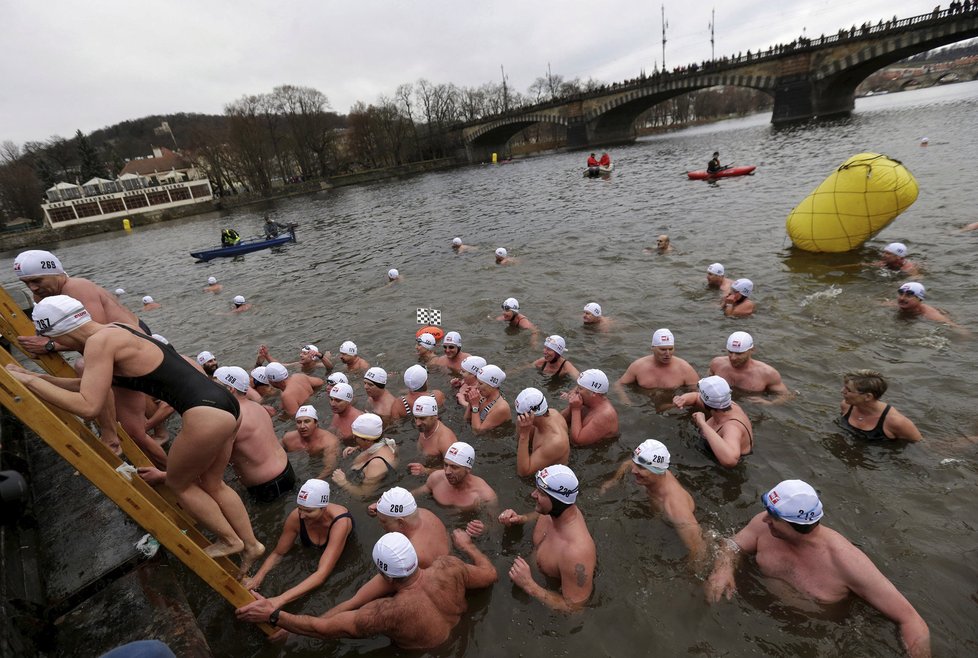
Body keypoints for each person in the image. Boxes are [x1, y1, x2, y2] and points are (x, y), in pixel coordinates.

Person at [9, 296, 263, 567]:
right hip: (226, 405)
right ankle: (251, 545)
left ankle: (229, 540)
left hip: (204, 414)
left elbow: (88, 405)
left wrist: (26, 381)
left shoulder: (97, 344)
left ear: (58, 332)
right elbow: (89, 385)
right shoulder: (116, 328)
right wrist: (41, 378)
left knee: (179, 484)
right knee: (213, 483)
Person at [705, 480, 930, 657]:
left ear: (797, 524)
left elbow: (911, 620)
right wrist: (722, 569)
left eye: (773, 516)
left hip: (814, 636)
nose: (765, 519)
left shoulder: (847, 562)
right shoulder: (764, 527)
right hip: (755, 620)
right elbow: (731, 544)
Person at [13, 250, 162, 461]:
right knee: (123, 388)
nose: (32, 288)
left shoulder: (77, 287)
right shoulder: (42, 294)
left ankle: (114, 435)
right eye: (26, 283)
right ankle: (154, 431)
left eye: (36, 280)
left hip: (132, 336)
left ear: (55, 272)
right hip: (105, 342)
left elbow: (99, 332)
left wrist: (50, 346)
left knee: (91, 371)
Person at [236, 531, 497, 651]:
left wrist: (273, 615)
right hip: (464, 634)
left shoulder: (385, 612)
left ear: (383, 574)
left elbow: (321, 629)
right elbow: (489, 575)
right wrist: (468, 545)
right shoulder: (450, 566)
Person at [242, 479, 353, 609]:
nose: (302, 515)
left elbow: (322, 573)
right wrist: (258, 577)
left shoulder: (340, 522)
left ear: (324, 508)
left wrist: (279, 600)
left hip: (338, 544)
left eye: (308, 511)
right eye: (300, 508)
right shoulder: (296, 516)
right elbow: (279, 552)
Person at [499, 465, 596, 612]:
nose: (533, 494)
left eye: (541, 493)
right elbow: (541, 512)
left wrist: (530, 586)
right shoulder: (553, 512)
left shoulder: (576, 553)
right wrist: (521, 519)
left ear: (558, 500)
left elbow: (575, 608)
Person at [601, 440, 706, 563]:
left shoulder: (674, 506)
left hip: (672, 538)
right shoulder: (654, 472)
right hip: (657, 515)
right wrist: (614, 480)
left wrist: (691, 575)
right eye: (636, 463)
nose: (633, 470)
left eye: (640, 467)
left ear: (657, 470)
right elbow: (628, 464)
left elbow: (699, 550)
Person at [673, 376, 753, 468]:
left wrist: (702, 424)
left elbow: (730, 461)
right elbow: (696, 396)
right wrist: (683, 399)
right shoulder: (724, 405)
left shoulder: (732, 428)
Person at [368, 487, 450, 567]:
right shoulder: (425, 513)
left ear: (401, 523)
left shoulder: (412, 554)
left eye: (383, 521)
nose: (380, 524)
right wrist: (382, 507)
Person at [410, 442, 498, 516]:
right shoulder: (436, 478)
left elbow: (493, 526)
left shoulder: (485, 496)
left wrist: (481, 529)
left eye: (454, 467)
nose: (447, 472)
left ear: (468, 469)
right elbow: (414, 495)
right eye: (445, 465)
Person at [839, 370, 922, 441]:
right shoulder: (846, 406)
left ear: (868, 396)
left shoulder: (896, 422)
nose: (842, 391)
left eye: (848, 390)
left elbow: (919, 445)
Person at [709, 331, 791, 400]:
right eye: (730, 352)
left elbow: (787, 396)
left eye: (739, 354)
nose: (733, 358)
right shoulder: (716, 363)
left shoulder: (767, 373)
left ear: (752, 350)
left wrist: (769, 403)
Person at [615, 328, 699, 395]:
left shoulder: (684, 368)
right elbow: (618, 385)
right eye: (663, 349)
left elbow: (698, 392)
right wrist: (626, 402)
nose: (667, 353)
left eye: (670, 349)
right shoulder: (638, 366)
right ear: (652, 348)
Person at [332, 413, 397, 496]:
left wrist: (343, 482)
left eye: (356, 437)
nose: (354, 438)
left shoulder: (377, 464)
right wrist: (357, 447)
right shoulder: (385, 442)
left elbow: (364, 494)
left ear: (368, 440)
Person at [514, 388, 570, 476]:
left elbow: (523, 473)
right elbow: (519, 443)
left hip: (552, 480)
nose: (519, 419)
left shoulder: (555, 442)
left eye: (520, 415)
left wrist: (524, 435)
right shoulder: (552, 412)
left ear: (531, 415)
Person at [561, 369, 619, 445]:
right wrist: (572, 405)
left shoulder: (605, 415)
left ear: (594, 393)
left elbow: (576, 442)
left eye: (580, 388)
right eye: (577, 387)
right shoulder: (586, 402)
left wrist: (576, 410)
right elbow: (561, 419)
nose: (576, 391)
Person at [281, 405, 341, 470]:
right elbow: (274, 453)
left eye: (307, 421)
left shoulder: (329, 442)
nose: (302, 426)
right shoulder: (288, 438)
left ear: (316, 423)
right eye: (299, 422)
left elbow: (329, 468)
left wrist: (316, 479)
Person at [464, 364, 512, 432]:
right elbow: (466, 420)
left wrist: (475, 406)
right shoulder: (482, 397)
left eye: (480, 384)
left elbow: (477, 432)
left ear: (492, 386)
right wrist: (470, 402)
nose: (477, 386)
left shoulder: (501, 408)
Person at [409, 395, 458, 460]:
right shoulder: (424, 428)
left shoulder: (445, 440)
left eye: (422, 418)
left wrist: (426, 470)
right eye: (415, 418)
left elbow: (454, 469)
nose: (417, 423)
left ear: (435, 416)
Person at [892, 282, 959, 326]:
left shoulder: (930, 314)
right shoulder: (895, 304)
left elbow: (955, 327)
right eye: (900, 294)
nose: (902, 298)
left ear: (919, 299)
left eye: (908, 295)